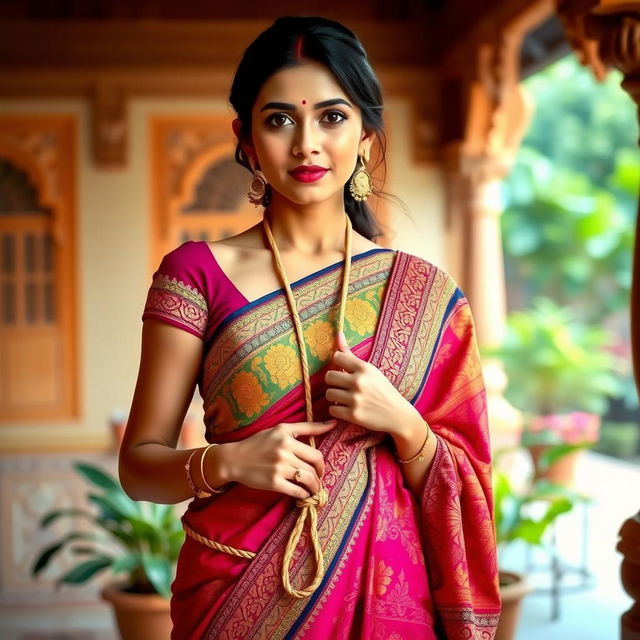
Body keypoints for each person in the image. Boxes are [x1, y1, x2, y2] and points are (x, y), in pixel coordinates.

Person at [118, 15, 501, 640]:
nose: (306, 144)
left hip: (386, 603)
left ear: (368, 135)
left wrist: (404, 423)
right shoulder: (195, 274)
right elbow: (139, 466)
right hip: (234, 595)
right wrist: (232, 461)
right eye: (278, 120)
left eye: (332, 116)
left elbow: (470, 485)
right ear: (244, 137)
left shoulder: (426, 292)